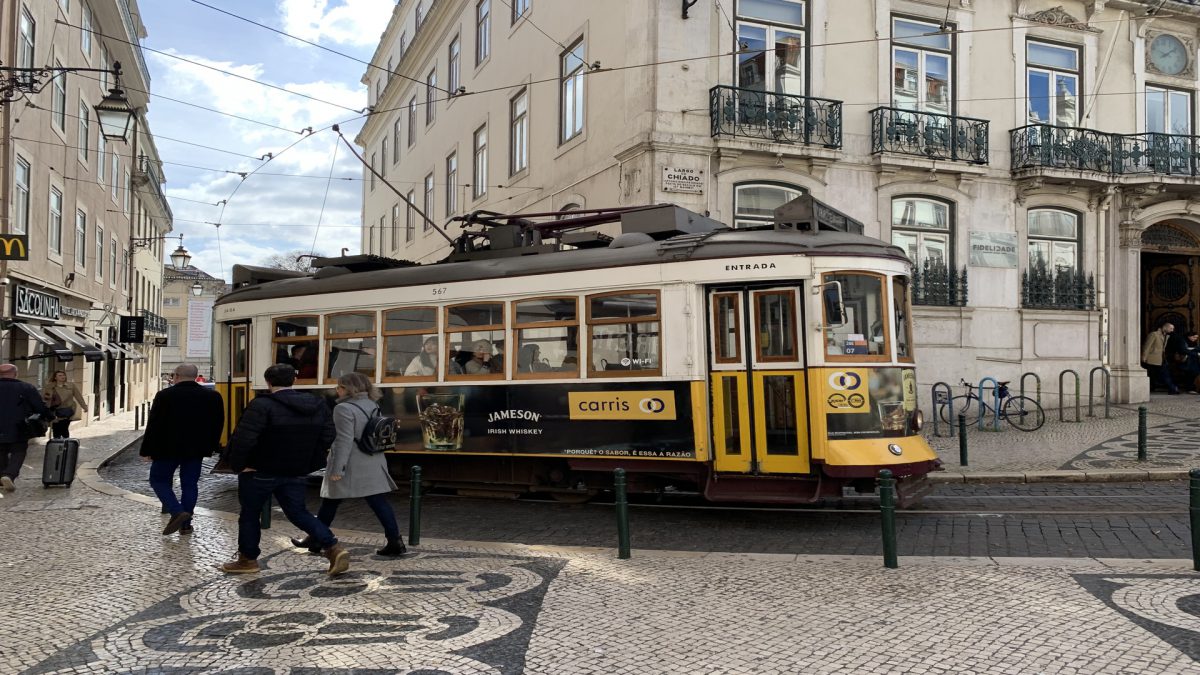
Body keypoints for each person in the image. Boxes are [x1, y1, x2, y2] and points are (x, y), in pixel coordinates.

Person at [220, 363, 348, 576]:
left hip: (259, 470)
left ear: (268, 382)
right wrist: (309, 460)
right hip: (296, 469)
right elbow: (328, 436)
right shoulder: (317, 404)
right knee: (298, 512)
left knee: (250, 514)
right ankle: (333, 548)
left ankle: (248, 560)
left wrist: (239, 465)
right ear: (294, 381)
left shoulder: (261, 405)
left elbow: (244, 439)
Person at [291, 372, 405, 557]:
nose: (337, 389)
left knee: (330, 501)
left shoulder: (343, 409)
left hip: (352, 464)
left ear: (348, 389)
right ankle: (395, 541)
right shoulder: (372, 403)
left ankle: (316, 538)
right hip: (373, 460)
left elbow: (343, 441)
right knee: (377, 502)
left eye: (340, 386)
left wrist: (338, 468)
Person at [140, 363, 225, 536]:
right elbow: (218, 423)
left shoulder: (165, 396)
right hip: (195, 450)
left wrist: (146, 449)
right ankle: (185, 525)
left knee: (158, 480)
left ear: (176, 375)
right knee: (189, 484)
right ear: (196, 376)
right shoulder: (213, 396)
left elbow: (154, 424)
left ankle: (176, 511)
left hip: (166, 449)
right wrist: (211, 446)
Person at [0, 363, 49, 492]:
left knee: (1, 452)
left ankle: (2, 476)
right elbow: (39, 407)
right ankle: (9, 474)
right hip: (19, 427)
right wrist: (49, 416)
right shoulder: (26, 388)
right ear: (15, 374)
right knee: (18, 452)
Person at [41, 370, 88, 439]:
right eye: (60, 375)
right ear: (55, 378)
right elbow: (46, 398)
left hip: (68, 410)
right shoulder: (50, 386)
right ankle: (57, 444)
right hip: (55, 411)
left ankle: (66, 444)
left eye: (63, 375)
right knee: (56, 429)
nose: (63, 377)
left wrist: (84, 407)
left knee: (64, 428)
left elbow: (78, 397)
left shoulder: (71, 385)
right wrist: (46, 410)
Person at [1142, 322, 1179, 394]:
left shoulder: (1167, 336)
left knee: (1161, 374)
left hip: (1161, 359)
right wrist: (1144, 357)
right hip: (1152, 358)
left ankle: (1171, 388)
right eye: (1171, 328)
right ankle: (1172, 388)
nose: (1172, 330)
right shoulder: (1154, 334)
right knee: (1163, 373)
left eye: (1173, 329)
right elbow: (1147, 346)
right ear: (1165, 327)